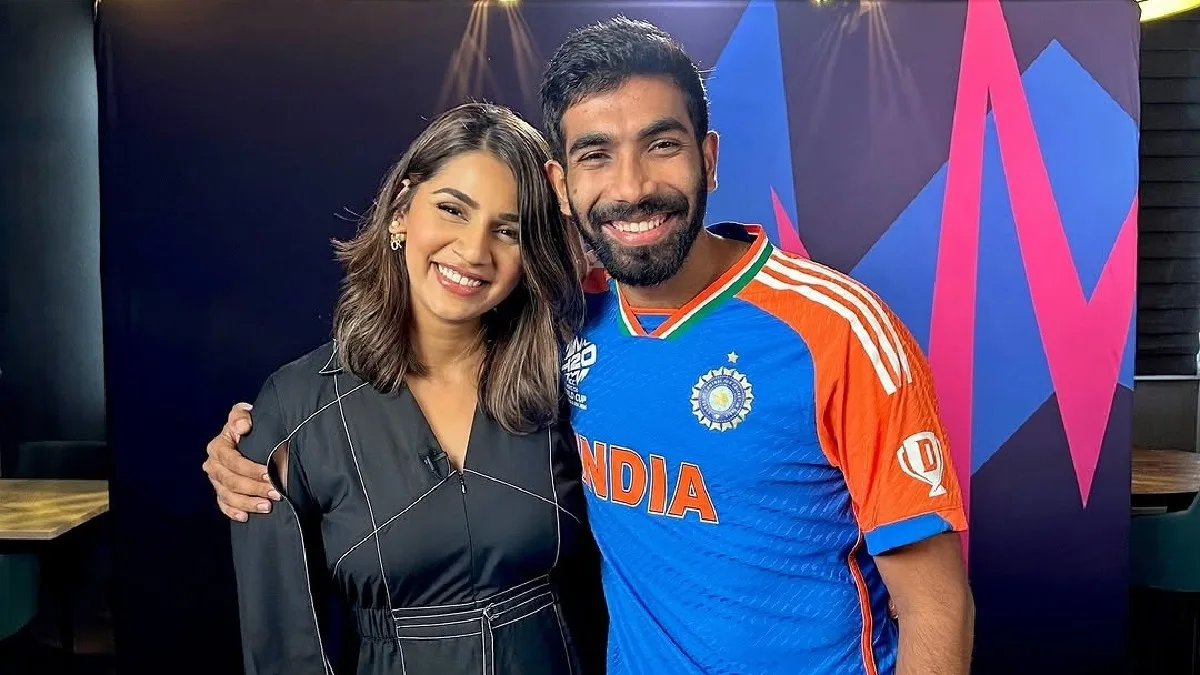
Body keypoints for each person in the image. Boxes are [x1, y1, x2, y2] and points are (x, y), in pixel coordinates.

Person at [206, 17, 974, 675]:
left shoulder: (837, 330)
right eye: (597, 155)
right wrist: (247, 447)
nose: (631, 185)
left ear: (708, 156)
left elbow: (936, 606)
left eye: (661, 144)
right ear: (564, 183)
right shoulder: (571, 321)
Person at [222, 102, 606, 675]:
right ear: (402, 210)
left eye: (508, 230)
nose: (473, 251)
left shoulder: (569, 380)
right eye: (452, 210)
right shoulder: (294, 407)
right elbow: (282, 649)